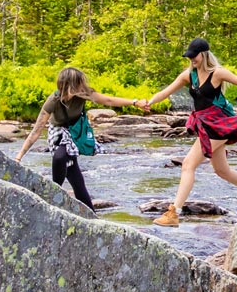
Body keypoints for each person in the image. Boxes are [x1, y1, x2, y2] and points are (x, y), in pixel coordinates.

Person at [145, 37, 237, 226]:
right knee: (222, 170)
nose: (191, 60)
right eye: (189, 57)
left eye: (194, 56)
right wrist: (150, 102)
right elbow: (166, 91)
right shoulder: (189, 75)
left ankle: (173, 213)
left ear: (203, 55)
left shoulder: (218, 73)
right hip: (205, 124)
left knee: (188, 164)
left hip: (220, 124)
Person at [17, 66, 147, 211]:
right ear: (69, 85)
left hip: (76, 131)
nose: (82, 86)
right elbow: (36, 131)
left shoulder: (84, 94)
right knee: (61, 158)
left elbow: (109, 100)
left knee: (75, 178)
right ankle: (54, 194)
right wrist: (19, 157)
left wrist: (135, 103)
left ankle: (91, 215)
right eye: (79, 83)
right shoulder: (53, 100)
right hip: (58, 132)